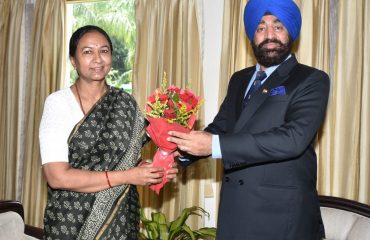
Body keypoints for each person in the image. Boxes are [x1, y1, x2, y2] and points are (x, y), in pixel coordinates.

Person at [168, 0, 330, 239]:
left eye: (278, 26)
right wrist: (183, 151)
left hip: (282, 217)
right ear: (252, 34)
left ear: (291, 32)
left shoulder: (311, 79)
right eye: (261, 27)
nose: (269, 35)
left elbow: (292, 139)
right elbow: (221, 127)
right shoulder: (239, 79)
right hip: (235, 213)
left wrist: (213, 146)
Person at [39, 25, 178, 239]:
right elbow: (57, 177)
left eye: (104, 51)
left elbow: (128, 161)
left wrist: (152, 170)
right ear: (73, 61)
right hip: (70, 222)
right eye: (87, 52)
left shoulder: (125, 103)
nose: (98, 59)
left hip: (119, 222)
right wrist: (128, 176)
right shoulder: (58, 103)